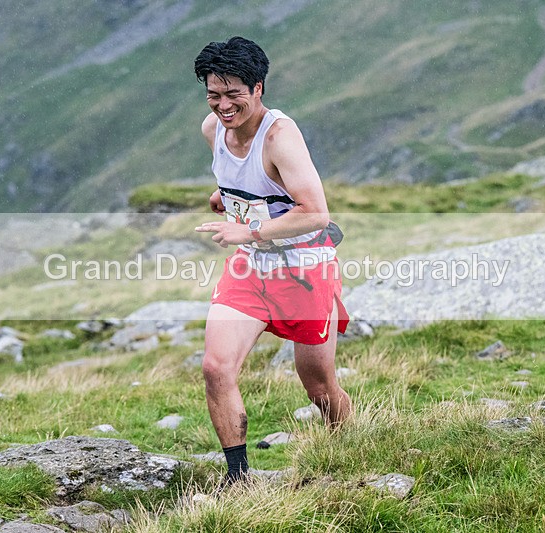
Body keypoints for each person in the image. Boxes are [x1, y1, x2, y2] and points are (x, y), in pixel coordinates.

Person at [193, 36, 352, 486]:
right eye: (213, 94)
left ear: (258, 88)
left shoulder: (281, 136)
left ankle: (346, 447)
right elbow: (243, 183)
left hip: (304, 268)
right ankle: (238, 479)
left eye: (233, 95)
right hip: (250, 266)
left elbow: (316, 212)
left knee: (318, 387)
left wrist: (251, 229)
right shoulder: (212, 130)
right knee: (215, 366)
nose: (223, 106)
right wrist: (225, 198)